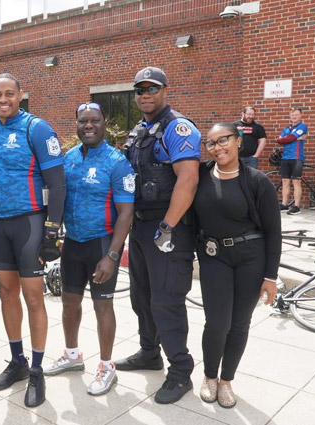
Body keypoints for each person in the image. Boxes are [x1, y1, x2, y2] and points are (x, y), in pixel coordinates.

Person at [115, 66, 201, 404]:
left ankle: (180, 371)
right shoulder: (141, 129)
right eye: (140, 90)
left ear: (165, 90)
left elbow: (188, 180)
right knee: (142, 296)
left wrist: (167, 227)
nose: (145, 95)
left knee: (166, 301)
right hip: (140, 224)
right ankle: (149, 353)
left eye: (152, 88)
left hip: (167, 226)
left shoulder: (177, 127)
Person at [0, 73, 65, 407]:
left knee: (33, 297)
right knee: (6, 293)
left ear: (20, 95)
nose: (4, 100)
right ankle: (17, 361)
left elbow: (58, 184)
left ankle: (36, 369)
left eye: (10, 94)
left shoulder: (37, 128)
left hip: (29, 223)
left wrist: (52, 230)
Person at [42, 102, 134, 396]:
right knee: (69, 302)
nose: (89, 126)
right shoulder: (68, 158)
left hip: (102, 245)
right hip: (73, 244)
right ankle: (72, 355)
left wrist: (111, 256)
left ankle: (107, 367)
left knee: (102, 305)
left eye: (95, 120)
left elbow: (126, 214)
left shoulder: (117, 162)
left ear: (105, 123)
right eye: (83, 121)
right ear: (77, 124)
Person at [193, 122, 281, 407]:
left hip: (250, 258)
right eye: (211, 143)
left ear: (238, 141)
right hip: (213, 256)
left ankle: (226, 380)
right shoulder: (201, 175)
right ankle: (209, 376)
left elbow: (273, 231)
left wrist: (270, 276)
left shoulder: (257, 181)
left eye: (223, 140)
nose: (217, 147)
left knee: (240, 324)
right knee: (217, 323)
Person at [276, 107, 307, 215]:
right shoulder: (286, 128)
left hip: (296, 157)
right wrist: (286, 139)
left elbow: (289, 138)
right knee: (285, 182)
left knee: (296, 182)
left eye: (296, 115)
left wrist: (287, 138)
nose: (294, 117)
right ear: (290, 116)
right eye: (292, 115)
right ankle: (284, 205)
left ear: (300, 115)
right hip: (285, 158)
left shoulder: (302, 126)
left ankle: (297, 206)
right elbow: (280, 140)